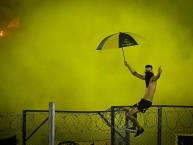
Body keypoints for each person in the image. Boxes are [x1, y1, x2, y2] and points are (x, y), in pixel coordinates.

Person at [124, 60, 162, 137]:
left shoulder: (152, 79)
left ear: (152, 70)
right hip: (143, 101)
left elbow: (157, 77)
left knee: (129, 114)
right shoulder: (146, 78)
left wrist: (159, 72)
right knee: (132, 110)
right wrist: (127, 65)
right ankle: (134, 127)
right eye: (146, 70)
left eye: (149, 70)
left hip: (146, 102)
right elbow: (135, 73)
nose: (147, 71)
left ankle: (140, 129)